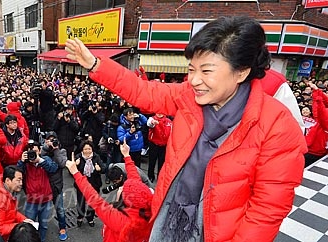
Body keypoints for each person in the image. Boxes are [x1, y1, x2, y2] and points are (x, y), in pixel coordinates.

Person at [65, 16, 306, 241]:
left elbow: (266, 211)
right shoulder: (188, 96)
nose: (194, 80)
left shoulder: (278, 127)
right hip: (167, 220)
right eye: (191, 69)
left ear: (241, 72)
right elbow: (144, 91)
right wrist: (95, 64)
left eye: (206, 71)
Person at [65, 140, 154, 242]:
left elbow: (94, 199)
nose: (121, 188)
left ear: (127, 201)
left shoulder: (117, 219)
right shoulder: (149, 212)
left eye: (124, 190)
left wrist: (75, 173)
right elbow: (134, 177)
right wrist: (127, 155)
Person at [17, 140, 58, 242]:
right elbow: (17, 173)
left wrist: (39, 160)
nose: (33, 155)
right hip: (31, 201)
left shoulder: (45, 159)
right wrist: (22, 161)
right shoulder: (25, 164)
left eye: (35, 152)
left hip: (46, 199)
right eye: (30, 152)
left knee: (43, 226)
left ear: (39, 151)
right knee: (29, 225)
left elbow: (53, 168)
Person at [0, 165, 33, 241]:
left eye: (22, 180)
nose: (21, 183)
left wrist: (24, 220)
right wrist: (20, 226)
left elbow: (12, 212)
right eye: (18, 180)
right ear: (8, 180)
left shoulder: (8, 191)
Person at [41, 132, 68, 241]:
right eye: (49, 140)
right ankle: (41, 229)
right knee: (43, 209)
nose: (52, 142)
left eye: (54, 140)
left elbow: (62, 164)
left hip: (57, 186)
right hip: (44, 185)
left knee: (60, 209)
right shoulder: (44, 151)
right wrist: (46, 147)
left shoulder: (61, 151)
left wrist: (56, 149)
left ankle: (63, 227)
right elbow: (40, 156)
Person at [72, 140, 105, 227]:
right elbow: (72, 170)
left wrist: (99, 169)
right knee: (81, 202)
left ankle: (90, 218)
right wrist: (76, 165)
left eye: (89, 149)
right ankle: (80, 216)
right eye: (85, 149)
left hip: (94, 183)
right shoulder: (78, 157)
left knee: (93, 202)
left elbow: (104, 168)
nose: (87, 151)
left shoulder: (96, 157)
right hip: (81, 184)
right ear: (82, 150)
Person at [146, 113, 172, 182]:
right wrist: (153, 122)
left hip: (164, 145)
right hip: (154, 144)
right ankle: (150, 176)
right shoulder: (152, 119)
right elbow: (149, 123)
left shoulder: (169, 121)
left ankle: (160, 177)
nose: (159, 114)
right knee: (152, 162)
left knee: (162, 163)